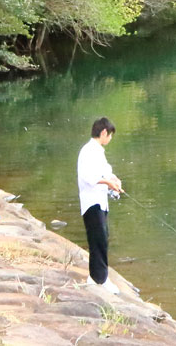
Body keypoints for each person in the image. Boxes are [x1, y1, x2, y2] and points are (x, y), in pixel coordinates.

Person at [78, 116, 123, 294]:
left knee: (102, 238)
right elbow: (88, 177)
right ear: (104, 132)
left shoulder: (97, 151)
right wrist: (108, 183)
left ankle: (95, 276)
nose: (110, 139)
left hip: (100, 202)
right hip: (91, 202)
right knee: (98, 240)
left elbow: (105, 170)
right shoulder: (88, 150)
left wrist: (114, 180)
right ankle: (100, 279)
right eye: (110, 135)